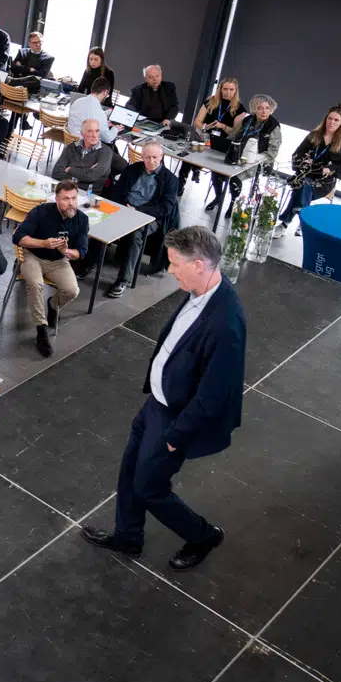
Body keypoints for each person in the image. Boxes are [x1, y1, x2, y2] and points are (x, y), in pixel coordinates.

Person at [82, 225, 243, 571]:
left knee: (149, 486)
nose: (170, 270)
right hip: (156, 405)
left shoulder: (225, 324)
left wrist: (177, 437)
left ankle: (203, 535)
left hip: (175, 418)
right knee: (129, 471)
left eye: (174, 264)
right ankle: (128, 536)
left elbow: (214, 395)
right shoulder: (200, 292)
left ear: (199, 264)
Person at [12, 181, 88, 357]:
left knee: (72, 290)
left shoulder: (82, 220)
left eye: (74, 198)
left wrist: (66, 251)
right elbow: (18, 237)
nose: (71, 203)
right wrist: (43, 243)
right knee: (36, 284)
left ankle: (53, 304)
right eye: (66, 199)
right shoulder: (41, 211)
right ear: (57, 199)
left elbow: (82, 252)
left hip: (58, 260)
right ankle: (41, 329)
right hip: (33, 256)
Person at [105, 141, 180, 298]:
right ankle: (90, 262)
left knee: (136, 234)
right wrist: (123, 207)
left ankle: (123, 280)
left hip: (149, 217)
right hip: (125, 208)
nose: (151, 161)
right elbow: (116, 191)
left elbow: (164, 209)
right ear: (142, 156)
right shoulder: (132, 169)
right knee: (98, 221)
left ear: (162, 157)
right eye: (147, 157)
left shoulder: (170, 180)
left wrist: (137, 210)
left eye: (154, 157)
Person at [276, 104, 341, 238]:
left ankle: (285, 223)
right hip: (304, 175)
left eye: (336, 120)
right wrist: (303, 162)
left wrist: (331, 168)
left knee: (301, 187)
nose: (331, 122)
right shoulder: (314, 135)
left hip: (323, 183)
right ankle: (304, 219)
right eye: (330, 118)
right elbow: (296, 156)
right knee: (302, 184)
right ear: (326, 118)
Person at [225, 93, 282, 221]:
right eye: (260, 108)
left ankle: (233, 203)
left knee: (234, 179)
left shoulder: (273, 126)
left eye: (267, 108)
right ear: (254, 109)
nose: (264, 111)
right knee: (218, 173)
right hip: (238, 156)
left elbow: (273, 152)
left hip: (257, 162)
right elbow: (233, 136)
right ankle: (218, 197)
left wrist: (256, 158)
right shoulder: (247, 120)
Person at [187, 77, 245, 197]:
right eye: (225, 89)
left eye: (231, 89)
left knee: (215, 170)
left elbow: (235, 133)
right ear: (220, 89)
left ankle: (218, 196)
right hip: (206, 137)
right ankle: (184, 182)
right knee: (187, 157)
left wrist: (222, 126)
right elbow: (197, 121)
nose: (228, 92)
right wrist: (205, 127)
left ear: (235, 91)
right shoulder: (210, 101)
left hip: (223, 143)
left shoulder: (240, 109)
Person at [54, 119, 114, 187]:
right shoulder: (72, 147)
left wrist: (70, 169)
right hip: (66, 187)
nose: (94, 135)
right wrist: (85, 173)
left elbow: (92, 176)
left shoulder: (106, 152)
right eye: (90, 131)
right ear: (82, 134)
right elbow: (56, 173)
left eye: (97, 131)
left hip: (87, 194)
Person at [64, 76, 117, 144]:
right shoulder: (99, 113)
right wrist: (116, 128)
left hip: (69, 142)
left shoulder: (77, 101)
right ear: (105, 92)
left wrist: (104, 124)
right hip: (83, 147)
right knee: (110, 150)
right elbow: (107, 138)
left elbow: (84, 120)